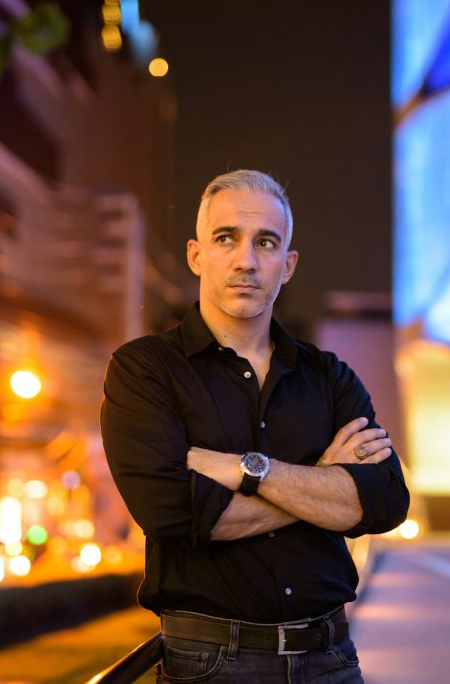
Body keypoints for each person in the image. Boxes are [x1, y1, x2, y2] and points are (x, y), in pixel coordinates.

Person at [100, 169, 409, 683]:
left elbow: (385, 501)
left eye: (265, 243)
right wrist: (322, 482)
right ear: (196, 255)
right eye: (226, 239)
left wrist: (243, 470)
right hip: (210, 663)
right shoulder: (144, 370)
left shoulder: (329, 377)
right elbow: (174, 515)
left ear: (287, 265)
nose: (246, 260)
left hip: (330, 660)